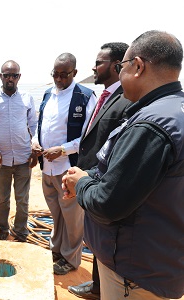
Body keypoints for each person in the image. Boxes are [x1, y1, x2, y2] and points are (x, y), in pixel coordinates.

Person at [62, 30, 184, 299]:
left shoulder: (151, 125)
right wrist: (90, 174)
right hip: (159, 257)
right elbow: (122, 169)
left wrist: (80, 182)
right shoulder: (171, 110)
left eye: (122, 66)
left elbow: (108, 203)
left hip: (134, 271)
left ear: (138, 66)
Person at [68, 42, 131, 299]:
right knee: (95, 236)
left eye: (99, 62)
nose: (94, 67)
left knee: (103, 237)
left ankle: (99, 288)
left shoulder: (125, 100)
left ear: (116, 66)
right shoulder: (105, 96)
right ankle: (96, 286)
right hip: (90, 179)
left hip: (101, 182)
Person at [32, 53, 96, 275]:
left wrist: (62, 149)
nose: (58, 79)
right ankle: (57, 249)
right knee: (55, 212)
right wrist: (35, 144)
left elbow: (88, 138)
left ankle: (70, 258)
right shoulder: (49, 94)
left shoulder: (85, 97)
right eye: (55, 74)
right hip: (47, 168)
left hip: (68, 167)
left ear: (74, 73)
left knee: (72, 216)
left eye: (63, 75)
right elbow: (41, 125)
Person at [0, 60, 37, 242]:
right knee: (2, 199)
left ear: (19, 77)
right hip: (0, 160)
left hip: (23, 158)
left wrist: (34, 147)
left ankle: (20, 232)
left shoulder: (27, 98)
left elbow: (34, 126)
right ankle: (3, 229)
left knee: (22, 200)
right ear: (0, 77)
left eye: (14, 75)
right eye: (6, 75)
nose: (10, 78)